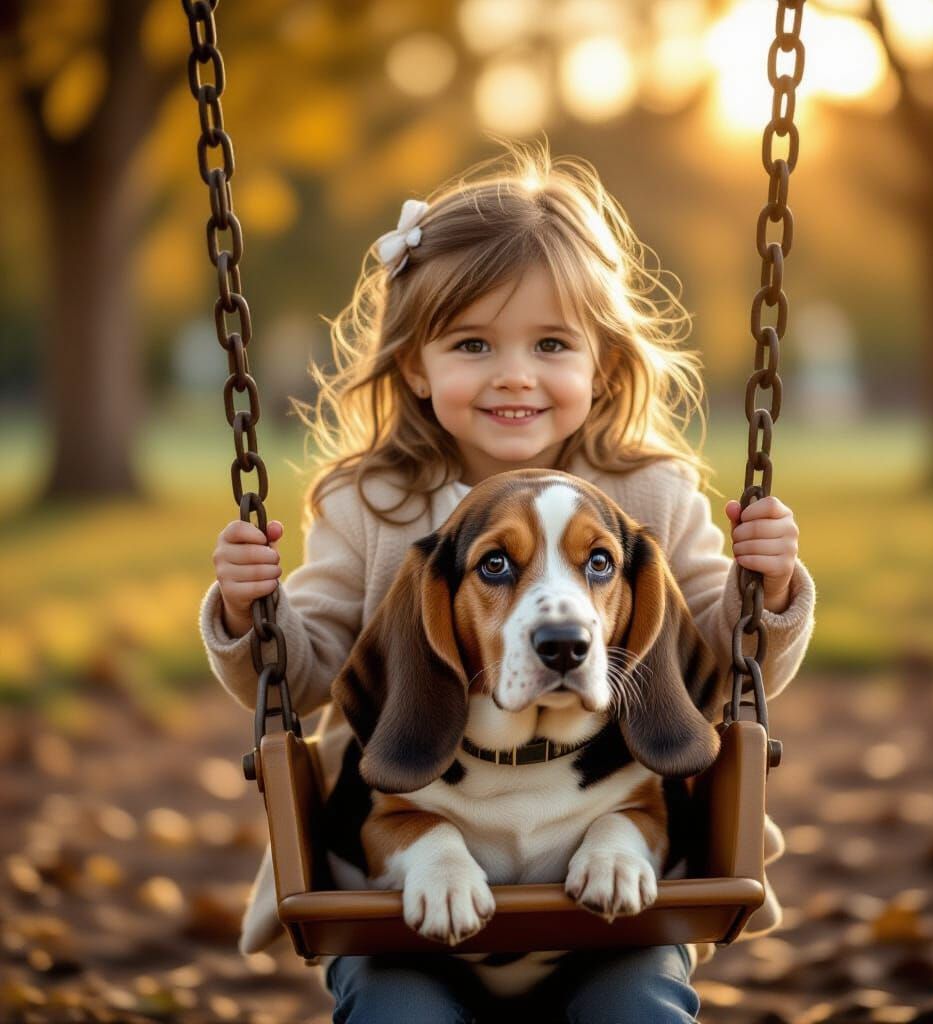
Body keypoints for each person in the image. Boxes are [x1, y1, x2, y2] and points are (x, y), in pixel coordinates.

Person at [199, 140, 815, 1023]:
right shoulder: (372, 501)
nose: (514, 373)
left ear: (600, 362)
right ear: (416, 364)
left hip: (614, 877)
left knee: (636, 1008)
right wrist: (249, 607)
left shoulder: (652, 494)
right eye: (473, 343)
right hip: (405, 891)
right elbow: (307, 672)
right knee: (399, 1013)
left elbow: (717, 660)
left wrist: (772, 587)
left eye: (551, 342)